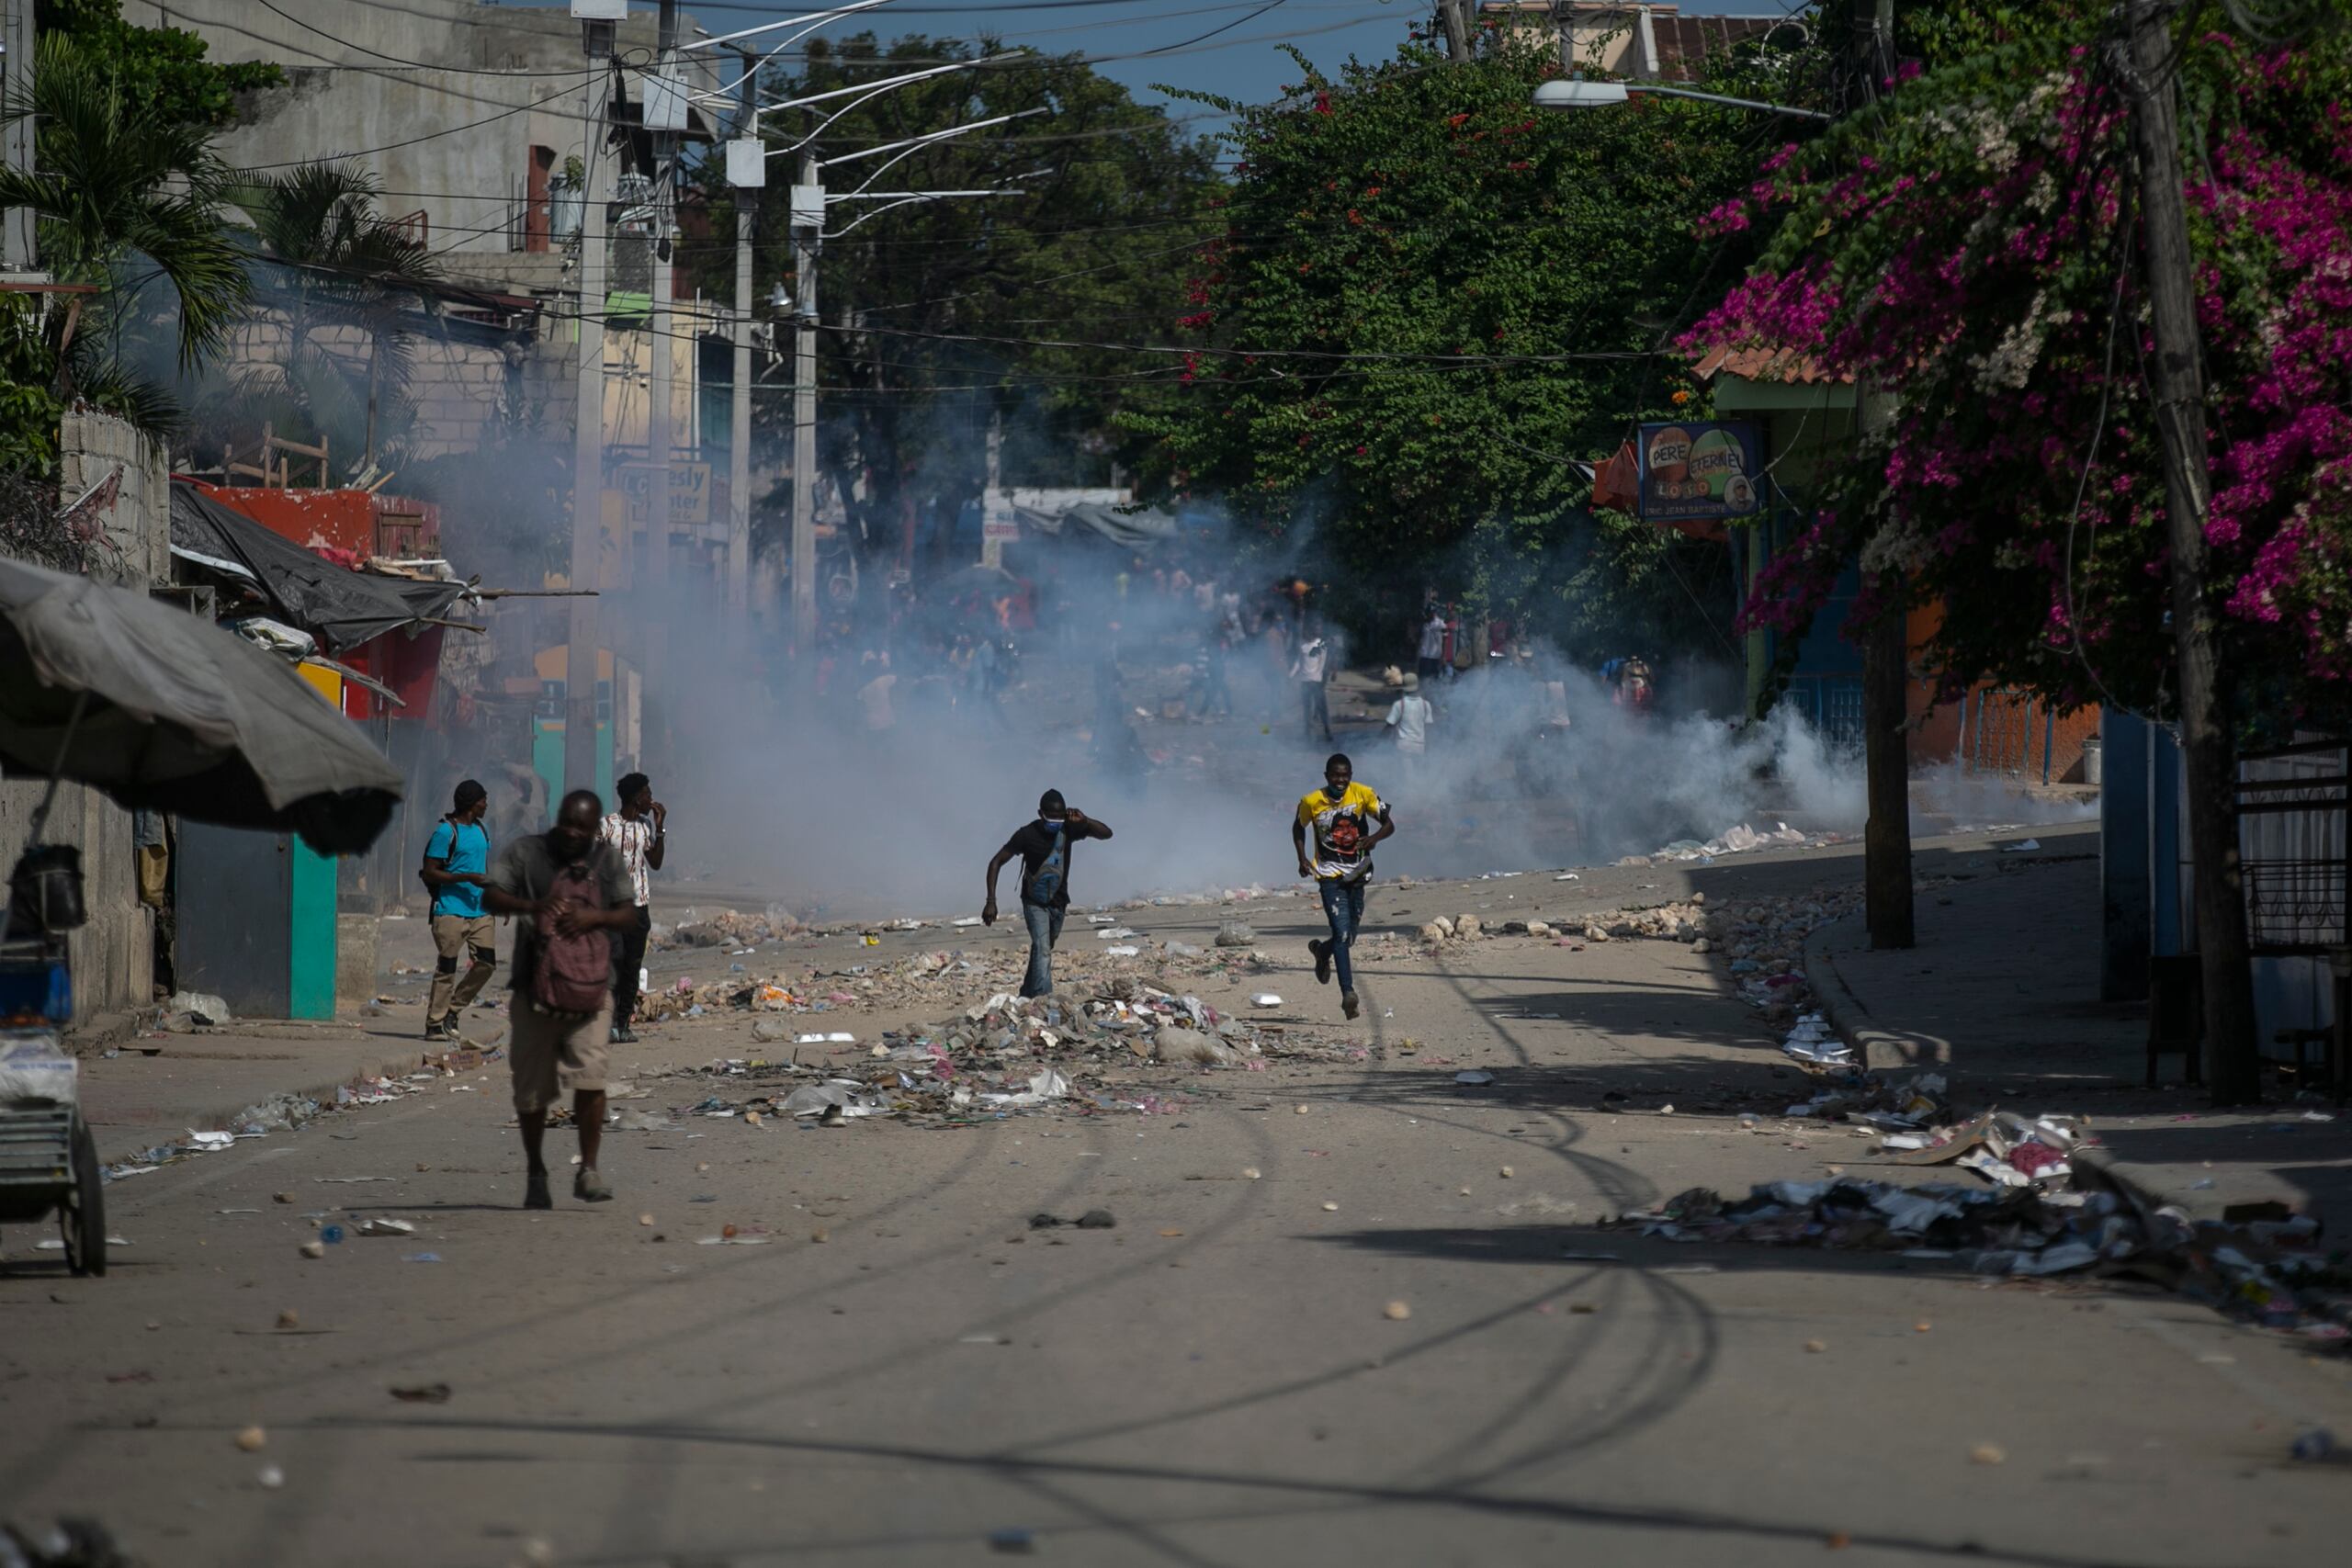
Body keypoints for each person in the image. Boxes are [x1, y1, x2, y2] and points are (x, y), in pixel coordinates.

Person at [483, 790, 638, 1208]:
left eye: (581, 827)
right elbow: (491, 894)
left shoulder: (607, 861)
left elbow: (630, 913)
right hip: (533, 991)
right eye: (567, 822)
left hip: (591, 992)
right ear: (558, 818)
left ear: (594, 829)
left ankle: (588, 1169)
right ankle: (536, 1171)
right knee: (531, 1094)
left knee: (590, 1080)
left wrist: (595, 917)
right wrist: (533, 905)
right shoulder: (527, 853)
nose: (571, 832)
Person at [983, 791, 1114, 998]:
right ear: (1040, 814)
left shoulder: (1068, 830)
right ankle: (1044, 1000)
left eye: (1059, 818)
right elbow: (996, 862)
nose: (1056, 822)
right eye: (1051, 818)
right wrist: (991, 901)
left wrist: (1085, 820)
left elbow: (1106, 834)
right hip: (1034, 902)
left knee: (1042, 949)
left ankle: (1027, 994)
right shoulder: (1026, 835)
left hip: (1059, 902)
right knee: (1043, 949)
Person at [1292, 753, 1394, 1021]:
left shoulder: (1364, 794)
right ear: (1327, 776)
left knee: (1347, 938)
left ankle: (1321, 952)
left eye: (1345, 775)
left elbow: (1389, 824)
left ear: (1351, 775)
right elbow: (1298, 827)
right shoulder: (1311, 801)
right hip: (1328, 876)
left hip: (1358, 874)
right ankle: (1348, 993)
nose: (1340, 780)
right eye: (1335, 776)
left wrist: (1374, 839)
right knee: (1341, 933)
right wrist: (1302, 857)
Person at [420, 780, 496, 1042]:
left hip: (480, 910)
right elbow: (431, 871)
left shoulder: (482, 830)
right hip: (450, 910)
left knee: (486, 964)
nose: (487, 804)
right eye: (484, 800)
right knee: (447, 967)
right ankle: (434, 1023)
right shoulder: (446, 832)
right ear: (473, 804)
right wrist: (465, 878)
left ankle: (453, 1010)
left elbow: (483, 870)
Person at [598, 773, 666, 1044]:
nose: (652, 799)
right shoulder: (606, 826)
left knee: (632, 966)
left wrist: (660, 829)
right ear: (637, 798)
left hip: (639, 906)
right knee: (614, 960)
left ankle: (623, 1024)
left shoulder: (646, 826)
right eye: (648, 794)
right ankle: (608, 1021)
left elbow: (656, 863)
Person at [1290, 622, 1334, 743]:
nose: (1306, 635)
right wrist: (1291, 675)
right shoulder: (1302, 645)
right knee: (1307, 709)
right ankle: (1307, 733)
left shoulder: (1320, 645)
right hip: (1304, 681)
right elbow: (1298, 662)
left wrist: (1318, 676)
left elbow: (1322, 663)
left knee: (1321, 708)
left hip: (1315, 681)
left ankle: (1327, 732)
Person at [1385, 673, 1435, 764]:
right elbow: (1429, 728)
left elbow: (1390, 725)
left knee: (1407, 774)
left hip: (1403, 746)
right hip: (1420, 746)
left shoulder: (1399, 704)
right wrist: (1429, 747)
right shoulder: (1425, 705)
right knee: (1418, 772)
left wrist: (1378, 740)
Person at [1417, 607, 1448, 688]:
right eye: (1429, 613)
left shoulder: (1441, 624)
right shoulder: (1425, 624)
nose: (1431, 614)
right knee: (1422, 677)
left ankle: (1433, 696)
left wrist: (1444, 655)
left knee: (1434, 678)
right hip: (1424, 655)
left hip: (1435, 656)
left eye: (1433, 612)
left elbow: (1445, 640)